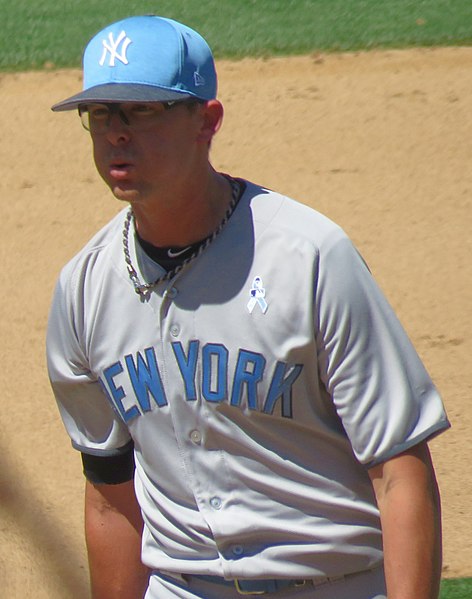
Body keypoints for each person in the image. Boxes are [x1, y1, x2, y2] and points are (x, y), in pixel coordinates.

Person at [46, 15, 450, 599]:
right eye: (102, 113)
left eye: (142, 111)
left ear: (206, 122)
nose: (116, 133)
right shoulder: (83, 288)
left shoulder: (308, 257)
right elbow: (111, 497)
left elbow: (399, 471)